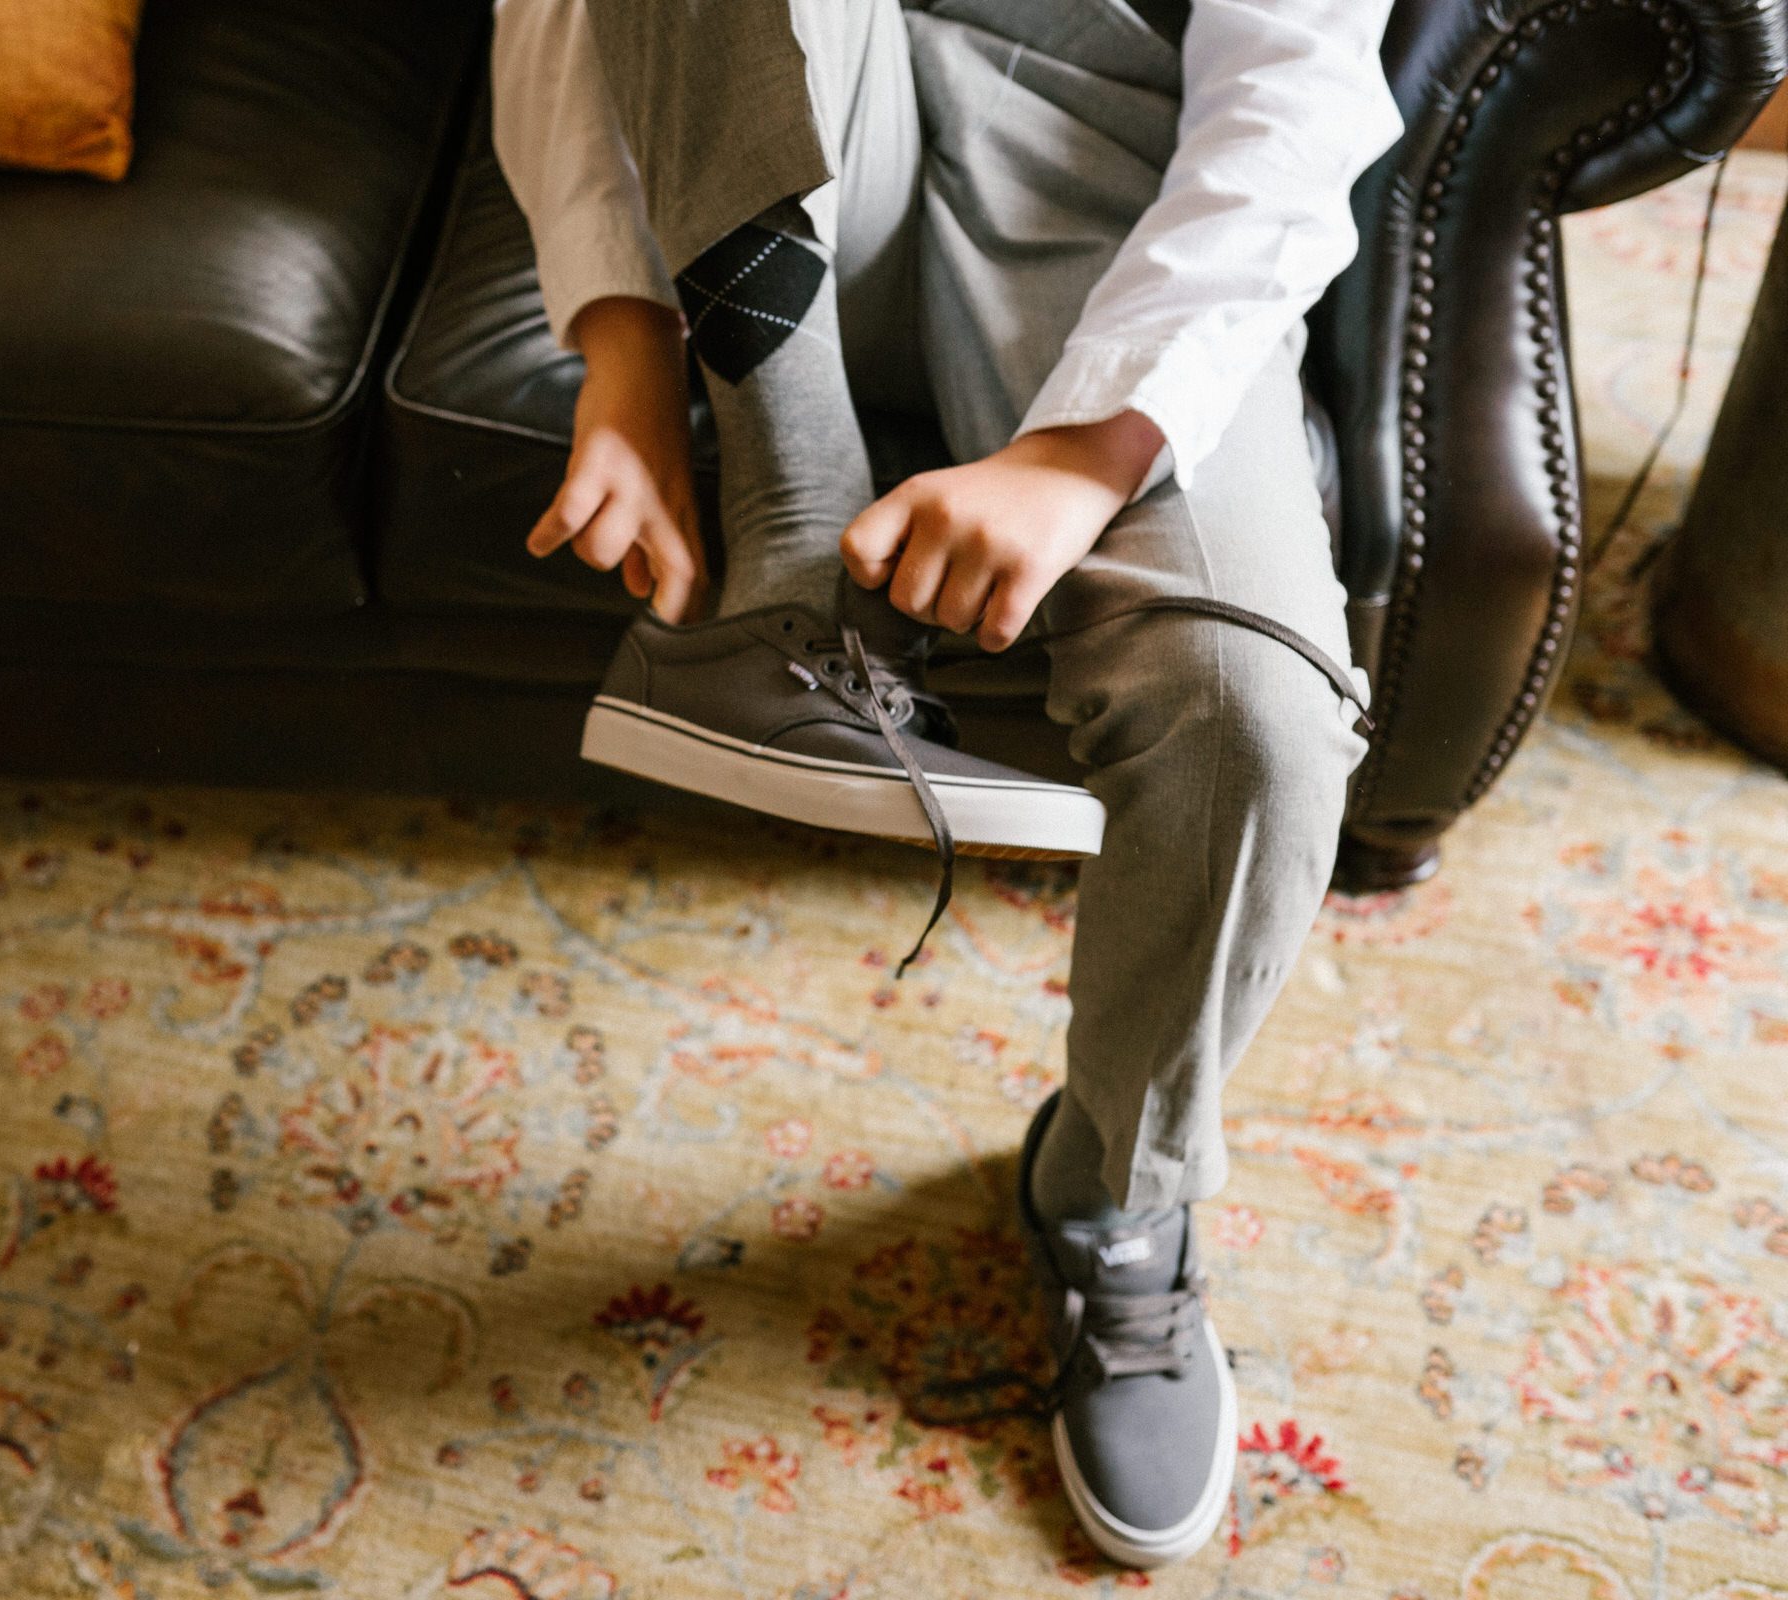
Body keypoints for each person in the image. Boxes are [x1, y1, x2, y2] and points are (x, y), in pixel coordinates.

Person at [492, 0, 1402, 1566]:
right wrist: (625, 348)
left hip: (1122, 187)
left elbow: (1294, 92)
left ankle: (1116, 1201)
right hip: (783, 134)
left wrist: (1082, 459)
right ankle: (791, 570)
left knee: (1254, 715)